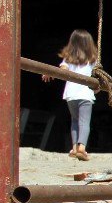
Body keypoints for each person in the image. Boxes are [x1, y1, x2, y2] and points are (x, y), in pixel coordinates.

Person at [42, 29, 97, 160]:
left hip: (71, 94)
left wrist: (51, 72)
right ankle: (82, 148)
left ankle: (74, 148)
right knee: (84, 122)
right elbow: (97, 75)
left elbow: (63, 70)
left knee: (75, 120)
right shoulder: (92, 60)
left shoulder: (68, 59)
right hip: (85, 94)